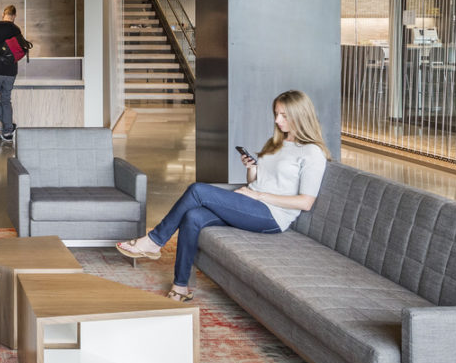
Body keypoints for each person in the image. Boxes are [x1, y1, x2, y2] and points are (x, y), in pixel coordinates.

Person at [117, 90, 330, 302]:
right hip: (251, 203)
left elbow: (306, 202)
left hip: (272, 215)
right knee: (193, 217)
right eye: (276, 114)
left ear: (301, 115)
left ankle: (155, 240)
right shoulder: (277, 143)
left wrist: (259, 196)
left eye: (284, 115)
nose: (277, 120)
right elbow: (256, 182)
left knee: (198, 190)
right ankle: (181, 286)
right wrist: (252, 169)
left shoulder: (312, 152)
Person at [0, 5, 31, 145]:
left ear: (3, 14)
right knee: (6, 100)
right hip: (12, 72)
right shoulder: (16, 29)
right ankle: (8, 131)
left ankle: (8, 126)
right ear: (14, 16)